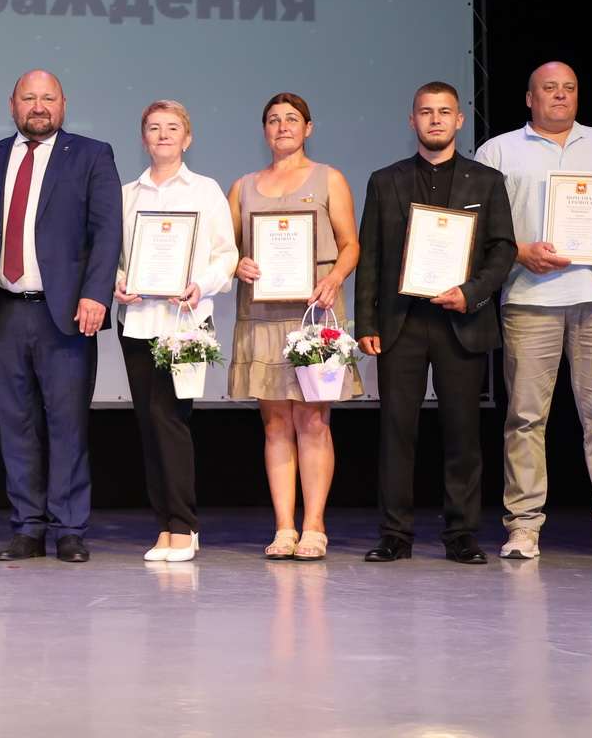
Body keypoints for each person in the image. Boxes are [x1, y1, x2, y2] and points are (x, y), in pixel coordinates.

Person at [477, 61, 592, 562]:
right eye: (549, 88)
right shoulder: (498, 150)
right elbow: (481, 224)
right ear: (529, 98)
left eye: (569, 88)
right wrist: (519, 251)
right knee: (525, 418)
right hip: (529, 300)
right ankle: (523, 526)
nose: (560, 95)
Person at [0, 69, 123, 563]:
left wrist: (96, 295)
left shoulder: (92, 155)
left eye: (48, 98)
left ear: (63, 104)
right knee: (17, 425)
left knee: (68, 424)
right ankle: (27, 527)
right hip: (7, 311)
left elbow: (107, 232)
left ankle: (69, 527)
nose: (38, 106)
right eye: (29, 98)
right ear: (12, 105)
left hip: (67, 314)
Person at [355, 82, 517, 564]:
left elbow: (503, 249)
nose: (435, 120)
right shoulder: (385, 181)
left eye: (444, 112)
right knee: (396, 433)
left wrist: (470, 292)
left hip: (460, 321)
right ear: (412, 120)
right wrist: (366, 322)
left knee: (462, 433)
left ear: (459, 120)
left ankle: (462, 533)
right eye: (426, 112)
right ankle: (394, 534)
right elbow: (371, 256)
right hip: (400, 323)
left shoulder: (486, 181)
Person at [225, 93, 360, 561]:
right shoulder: (243, 187)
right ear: (264, 130)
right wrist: (236, 263)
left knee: (314, 420)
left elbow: (350, 244)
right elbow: (225, 250)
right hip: (262, 316)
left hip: (313, 314)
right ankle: (284, 527)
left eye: (291, 119)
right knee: (276, 423)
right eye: (273, 120)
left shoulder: (329, 178)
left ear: (308, 128)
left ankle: (314, 526)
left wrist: (335, 278)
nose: (282, 126)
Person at [113, 100, 236, 562]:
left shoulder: (205, 191)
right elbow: (114, 258)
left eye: (172, 127)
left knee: (170, 420)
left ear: (188, 138)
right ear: (143, 138)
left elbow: (226, 255)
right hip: (137, 323)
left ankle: (185, 526)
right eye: (153, 127)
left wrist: (200, 284)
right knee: (148, 425)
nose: (163, 134)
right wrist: (117, 282)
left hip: (186, 325)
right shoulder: (126, 195)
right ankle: (164, 526)